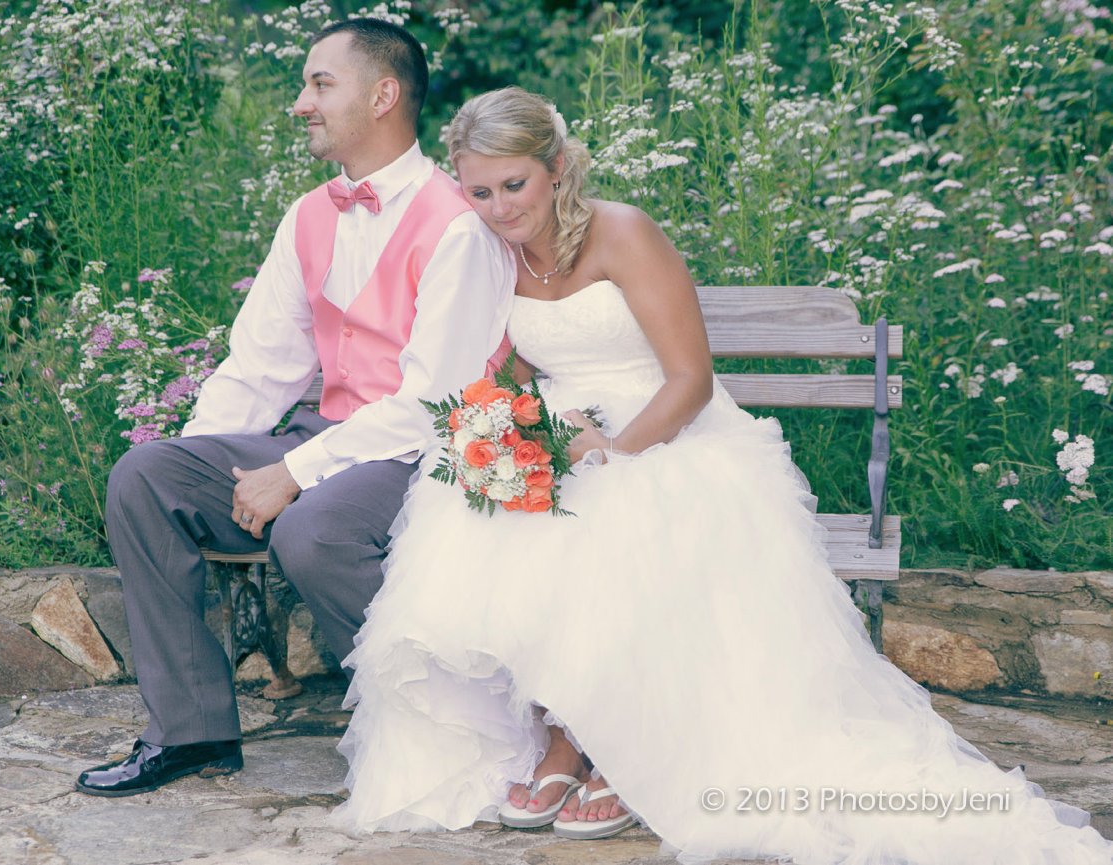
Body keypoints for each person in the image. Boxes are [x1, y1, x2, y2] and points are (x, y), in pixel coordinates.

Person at [327, 86, 1113, 864]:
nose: (500, 207)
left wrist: (615, 454)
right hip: (573, 430)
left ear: (558, 166)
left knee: (614, 519)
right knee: (480, 507)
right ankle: (563, 736)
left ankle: (608, 747)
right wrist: (517, 431)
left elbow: (689, 379)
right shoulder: (491, 253)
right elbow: (524, 365)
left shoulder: (624, 233)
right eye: (481, 191)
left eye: (516, 185)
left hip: (669, 433)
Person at [74, 20, 516, 797]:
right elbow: (259, 369)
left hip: (423, 450)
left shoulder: (456, 223)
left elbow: (432, 404)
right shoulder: (311, 214)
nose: (299, 103)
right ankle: (192, 731)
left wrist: (293, 472)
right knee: (146, 476)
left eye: (319, 84)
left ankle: (430, 723)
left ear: (382, 95)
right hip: (333, 436)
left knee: (315, 529)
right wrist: (203, 474)